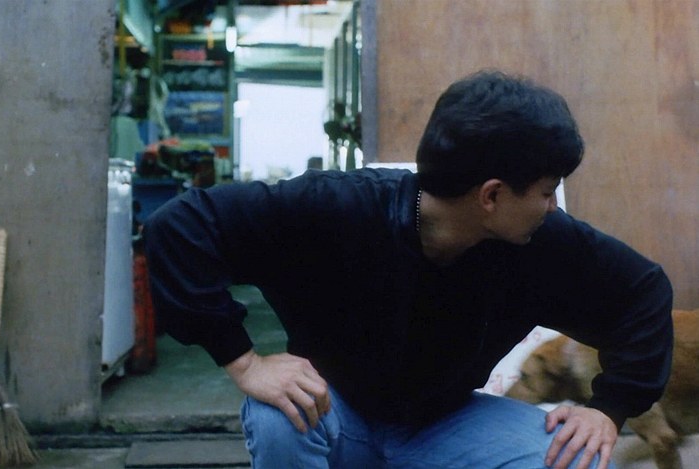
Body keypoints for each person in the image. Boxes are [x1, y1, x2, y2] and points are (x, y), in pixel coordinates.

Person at [142, 70, 673, 468]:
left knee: (578, 457)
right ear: (491, 195)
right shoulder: (335, 209)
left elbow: (643, 292)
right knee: (276, 413)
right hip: (335, 415)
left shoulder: (543, 240)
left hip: (445, 426)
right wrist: (245, 363)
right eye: (546, 191)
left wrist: (608, 409)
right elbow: (179, 225)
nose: (553, 206)